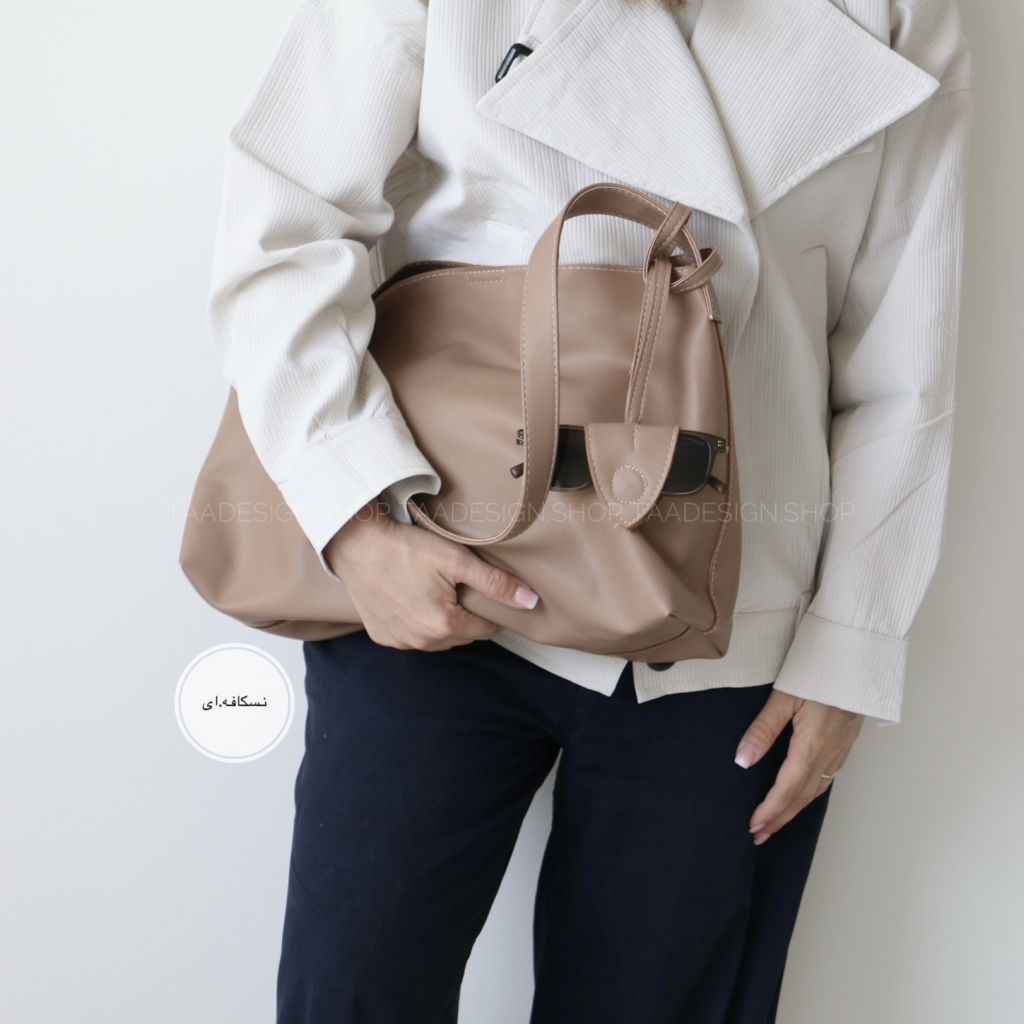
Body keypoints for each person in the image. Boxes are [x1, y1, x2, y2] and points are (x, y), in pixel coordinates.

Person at [207, 0, 972, 1019]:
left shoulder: (900, 11)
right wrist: (355, 526)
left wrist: (851, 645)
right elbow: (287, 220)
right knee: (353, 996)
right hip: (442, 570)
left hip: (729, 627)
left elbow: (904, 362)